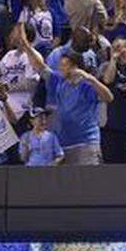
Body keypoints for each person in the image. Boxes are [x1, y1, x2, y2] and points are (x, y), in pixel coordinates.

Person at [19, 25, 113, 165]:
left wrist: (90, 78)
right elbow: (40, 66)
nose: (61, 68)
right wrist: (26, 46)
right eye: (61, 65)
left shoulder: (87, 86)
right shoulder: (58, 81)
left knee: (89, 184)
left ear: (75, 66)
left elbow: (109, 97)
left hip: (86, 143)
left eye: (65, 65)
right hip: (62, 143)